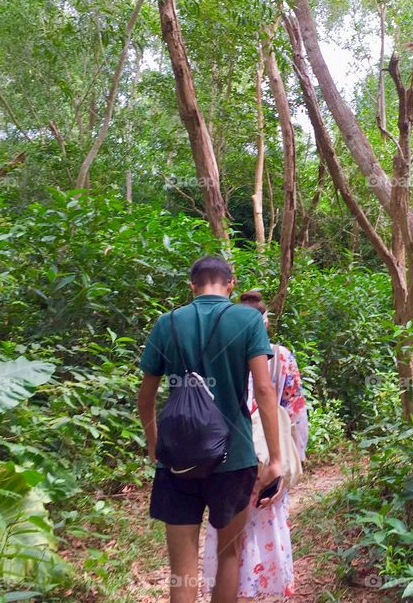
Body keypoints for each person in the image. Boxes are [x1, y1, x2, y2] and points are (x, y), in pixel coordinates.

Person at [137, 256, 284, 603]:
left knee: (182, 568)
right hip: (233, 459)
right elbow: (264, 390)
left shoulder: (167, 323)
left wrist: (154, 443)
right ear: (230, 284)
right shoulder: (247, 320)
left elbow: (146, 397)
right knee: (228, 556)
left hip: (177, 459)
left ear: (192, 286)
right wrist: (275, 458)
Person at [203, 290, 309, 601]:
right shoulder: (281, 357)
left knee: (227, 542)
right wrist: (292, 460)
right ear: (265, 324)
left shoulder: (220, 355)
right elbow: (295, 413)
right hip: (267, 459)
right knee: (264, 531)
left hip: (227, 458)